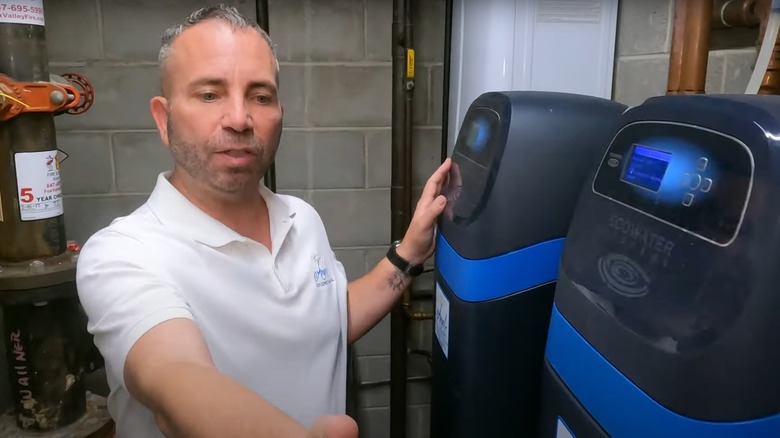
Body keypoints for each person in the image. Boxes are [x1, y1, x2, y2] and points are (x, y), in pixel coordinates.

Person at [75, 4, 451, 438]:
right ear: (164, 119)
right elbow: (175, 378)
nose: (239, 119)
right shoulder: (123, 253)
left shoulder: (301, 219)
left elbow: (326, 322)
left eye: (260, 96)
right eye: (209, 94)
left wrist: (409, 254)